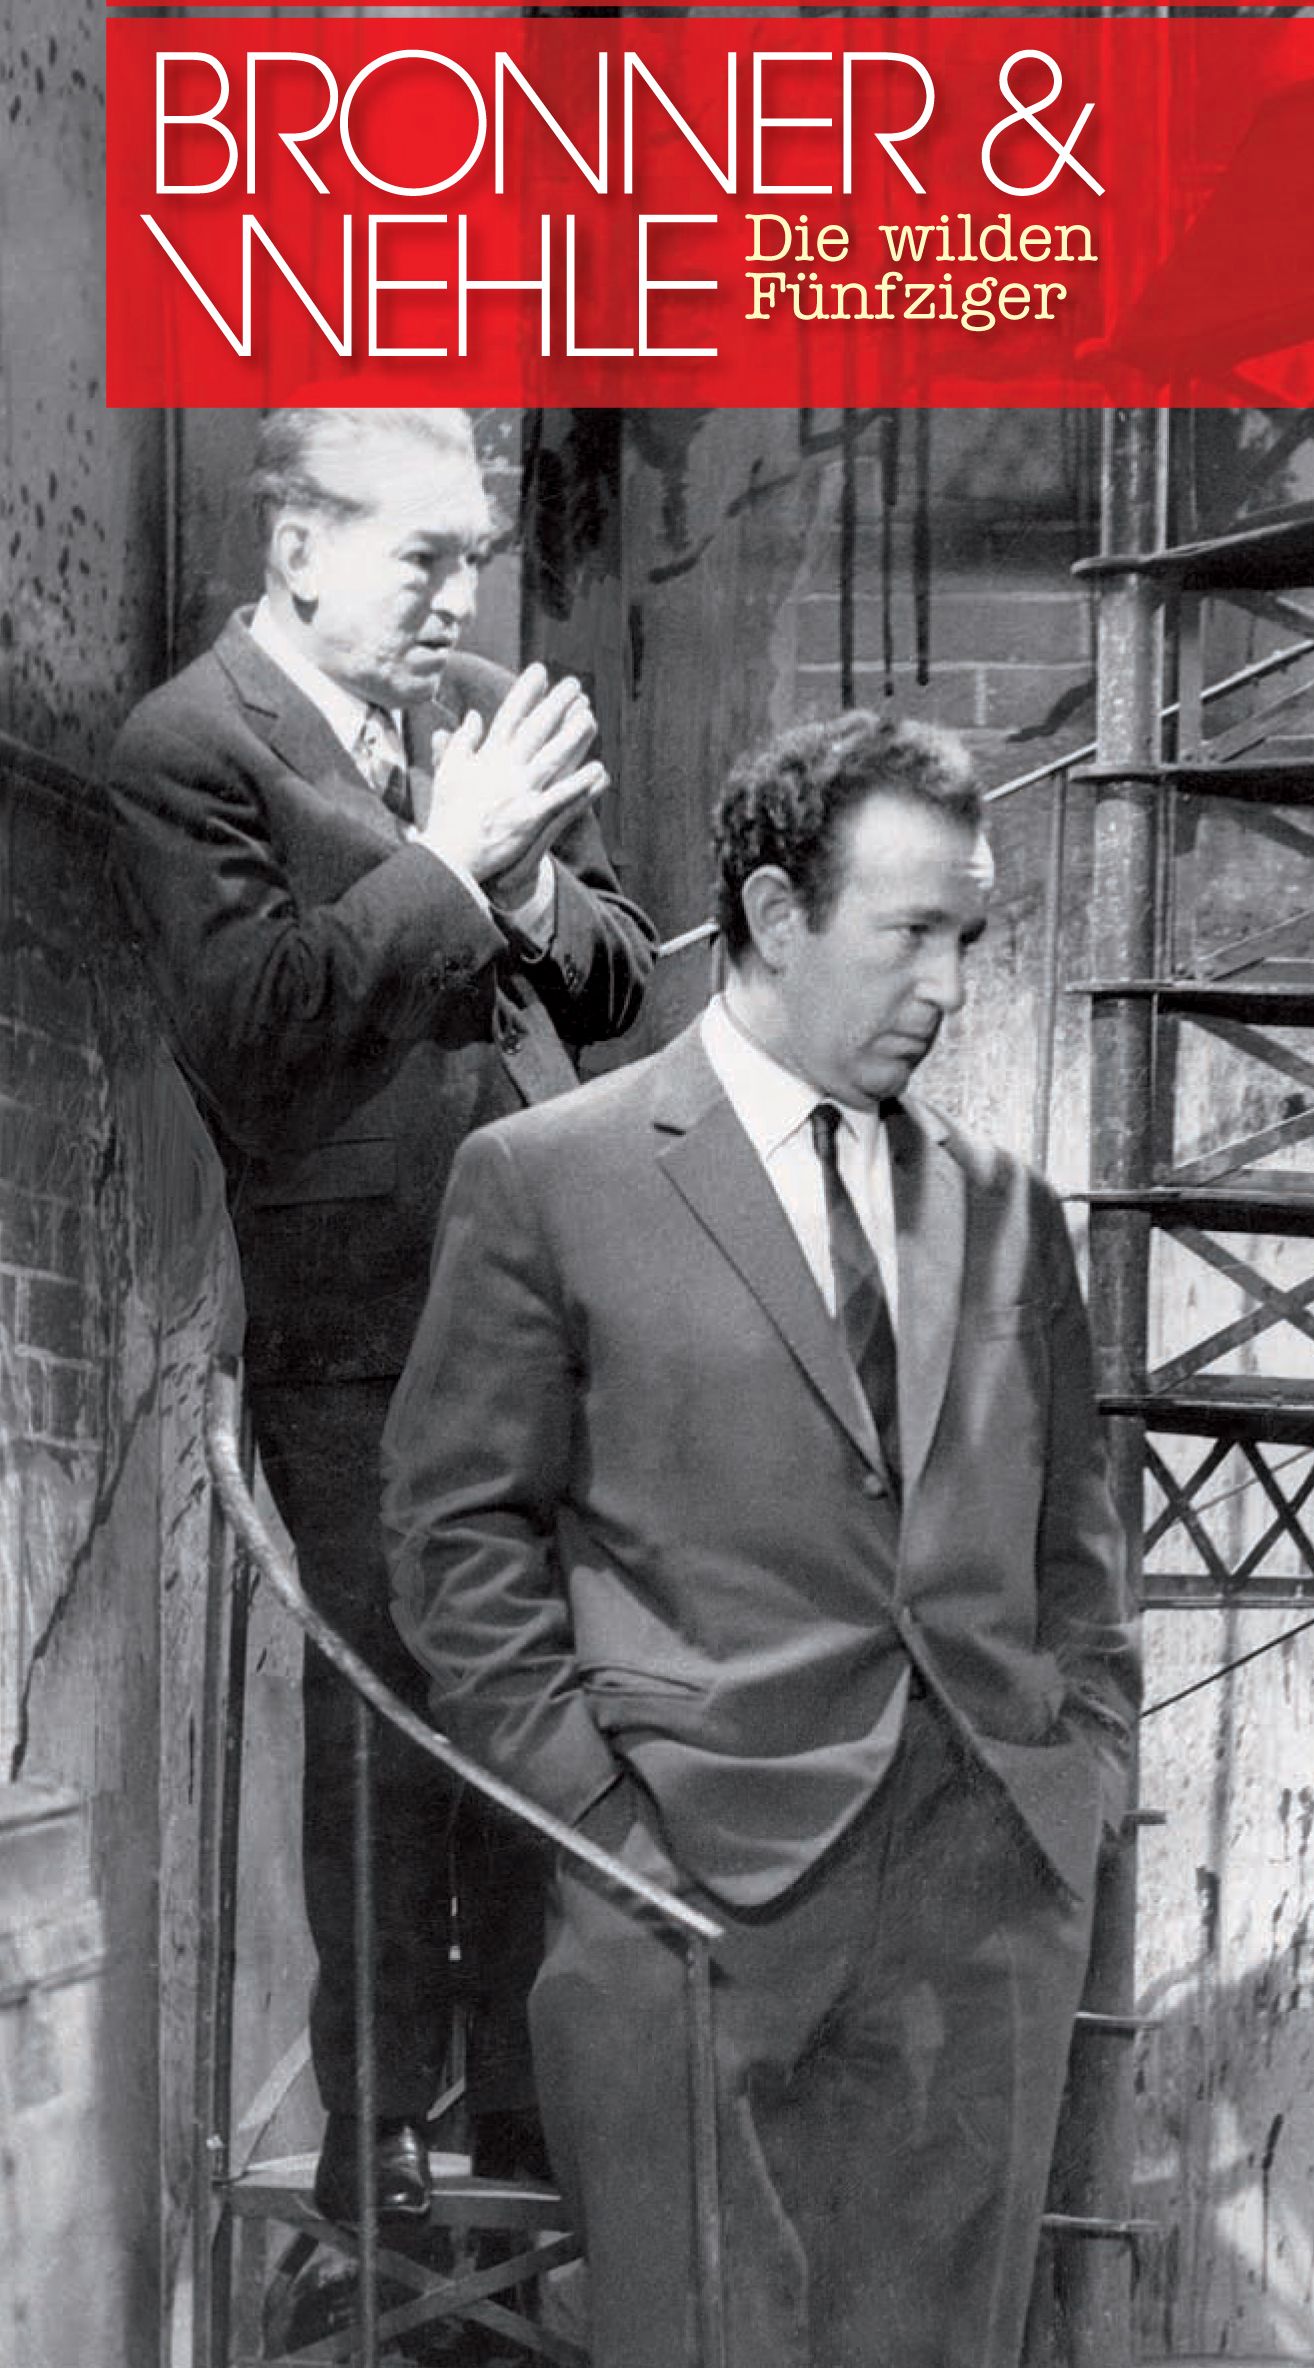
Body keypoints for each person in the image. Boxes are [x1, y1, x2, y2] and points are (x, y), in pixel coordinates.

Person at [382, 708, 1139, 2367]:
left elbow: (1072, 1533)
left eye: (966, 940)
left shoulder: (1004, 1207)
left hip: (980, 1888)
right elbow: (454, 1535)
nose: (948, 987)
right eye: (909, 933)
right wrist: (599, 1821)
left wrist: (1077, 1771)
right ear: (778, 914)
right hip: (684, 1891)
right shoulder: (548, 1178)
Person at [109, 406, 656, 2226]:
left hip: (546, 1309)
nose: (459, 599)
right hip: (356, 1325)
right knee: (385, 1720)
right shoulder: (191, 750)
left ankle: (525, 2108)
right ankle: (384, 2135)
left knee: (539, 1699)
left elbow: (617, 981)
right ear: (299, 549)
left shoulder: (476, 713)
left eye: (473, 560)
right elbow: (255, 1035)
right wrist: (452, 859)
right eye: (424, 559)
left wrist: (531, 877)